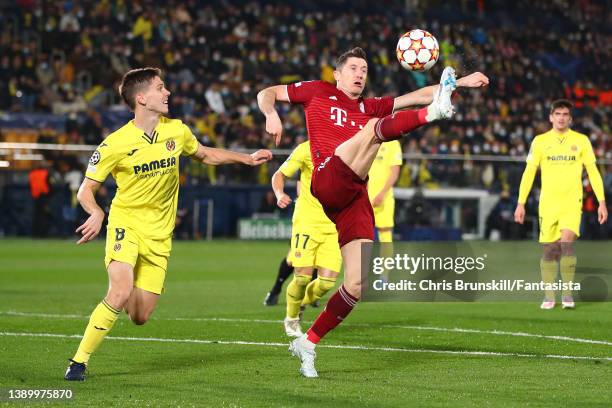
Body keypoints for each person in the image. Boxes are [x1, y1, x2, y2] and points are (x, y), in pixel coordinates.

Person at [257, 47, 489, 377]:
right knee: (373, 130)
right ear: (337, 74)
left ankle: (308, 343)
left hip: (354, 196)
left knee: (357, 283)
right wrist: (270, 113)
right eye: (353, 68)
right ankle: (432, 116)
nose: (360, 73)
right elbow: (266, 92)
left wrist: (458, 84)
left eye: (364, 69)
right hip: (327, 175)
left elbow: (418, 93)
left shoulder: (369, 105)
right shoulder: (318, 91)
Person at [64, 67, 272, 381]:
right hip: (127, 224)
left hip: (160, 235)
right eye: (161, 88)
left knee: (140, 316)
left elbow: (204, 154)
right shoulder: (114, 144)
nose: (168, 93)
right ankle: (79, 362)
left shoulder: (177, 130)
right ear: (141, 97)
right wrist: (95, 212)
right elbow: (85, 190)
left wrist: (245, 158)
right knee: (119, 291)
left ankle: (123, 289)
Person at [514, 99, 607, 310]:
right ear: (551, 117)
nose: (561, 118)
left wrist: (602, 202)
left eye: (565, 114)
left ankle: (567, 293)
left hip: (572, 202)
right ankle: (549, 295)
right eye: (558, 114)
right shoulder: (540, 141)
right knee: (550, 252)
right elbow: (529, 173)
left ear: (570, 118)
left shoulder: (581, 141)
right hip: (548, 204)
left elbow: (593, 172)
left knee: (566, 244)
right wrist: (521, 203)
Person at [271, 141, 342, 337]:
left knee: (326, 283)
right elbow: (279, 174)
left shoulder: (346, 148)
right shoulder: (305, 149)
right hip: (307, 222)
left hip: (333, 225)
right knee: (302, 278)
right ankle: (292, 320)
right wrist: (279, 194)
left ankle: (301, 302)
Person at [368, 140, 402, 242]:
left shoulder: (393, 143)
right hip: (364, 196)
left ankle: (386, 258)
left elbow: (395, 172)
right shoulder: (367, 139)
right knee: (362, 233)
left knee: (385, 232)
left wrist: (382, 193)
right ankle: (362, 258)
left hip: (384, 197)